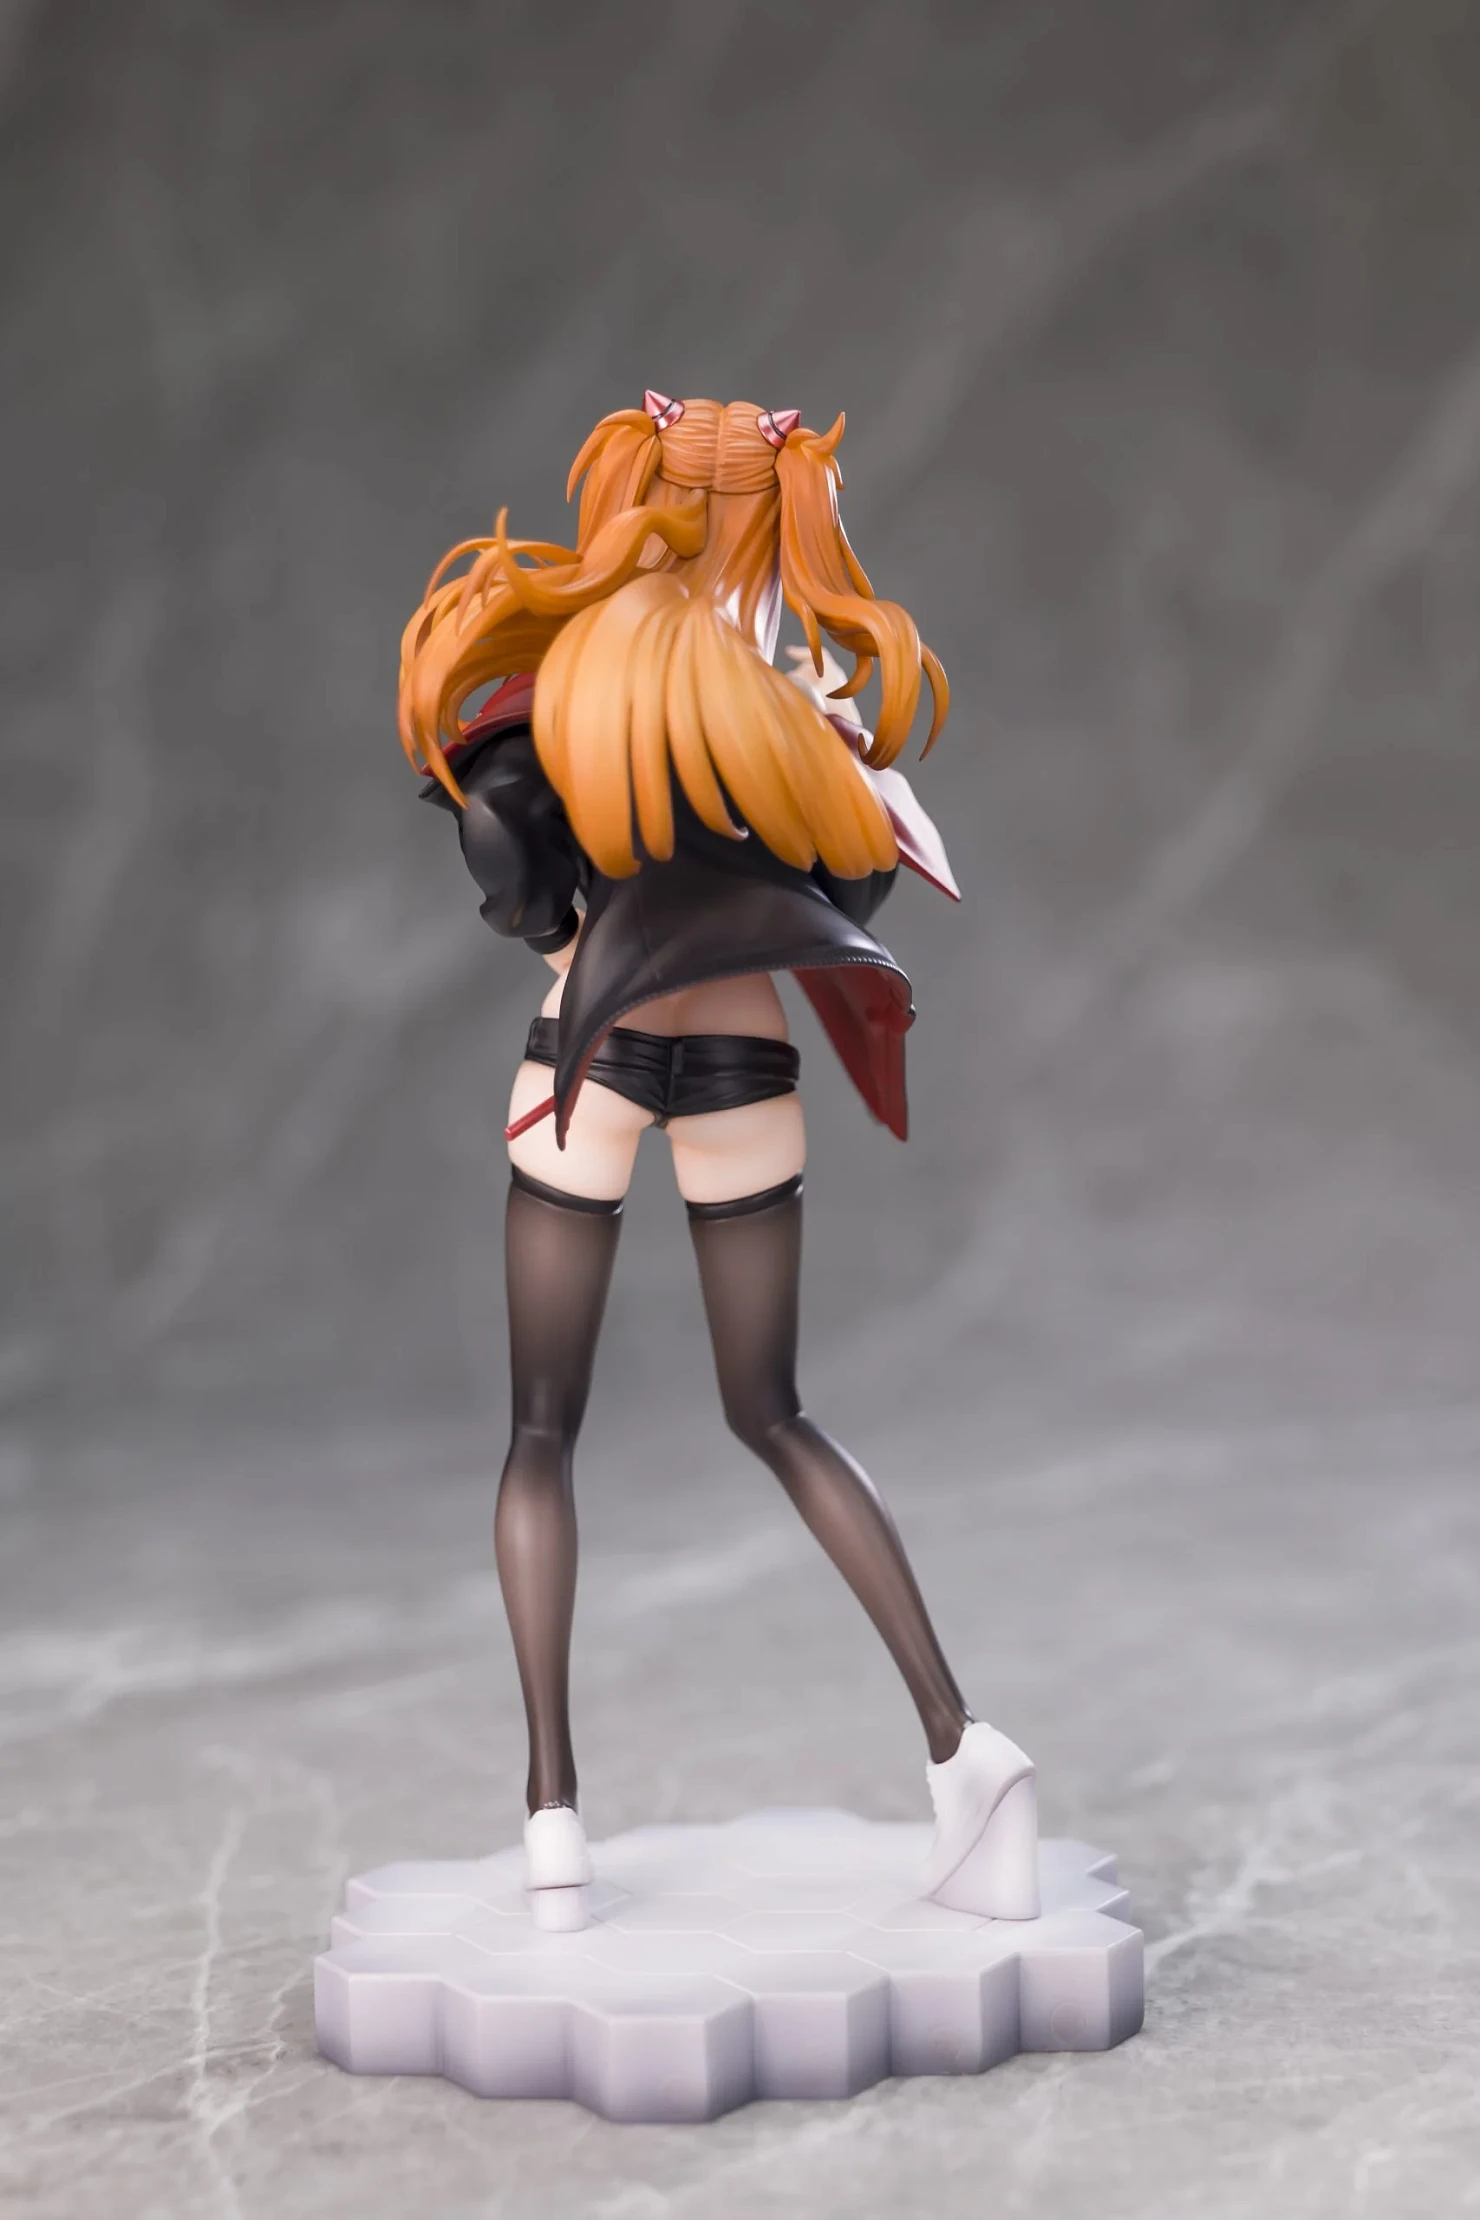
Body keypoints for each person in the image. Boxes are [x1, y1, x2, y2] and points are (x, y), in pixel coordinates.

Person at [399, 392, 1039, 1931]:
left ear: (640, 492)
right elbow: (853, 893)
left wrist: (556, 926)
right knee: (776, 1411)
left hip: (588, 1058)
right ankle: (963, 1742)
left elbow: (509, 858)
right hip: (749, 1060)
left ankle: (552, 1812)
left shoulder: (575, 672)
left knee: (541, 1430)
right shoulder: (797, 704)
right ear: (780, 516)